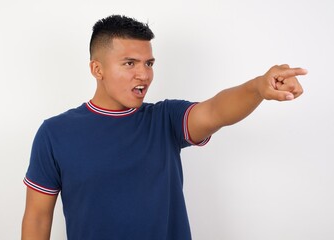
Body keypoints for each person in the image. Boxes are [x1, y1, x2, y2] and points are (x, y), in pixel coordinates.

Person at [21, 15, 307, 240]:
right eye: (130, 63)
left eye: (149, 63)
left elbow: (215, 111)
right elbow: (37, 218)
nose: (144, 74)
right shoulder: (55, 133)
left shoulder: (165, 119)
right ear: (98, 69)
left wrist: (258, 87)